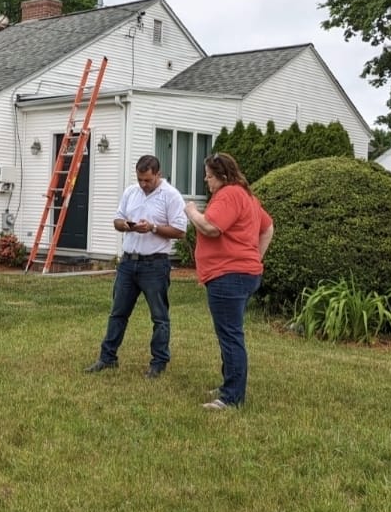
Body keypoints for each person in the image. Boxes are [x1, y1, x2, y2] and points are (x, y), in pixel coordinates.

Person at [184, 152, 274, 410]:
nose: (206, 180)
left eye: (210, 176)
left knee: (230, 335)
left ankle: (231, 397)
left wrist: (191, 211)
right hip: (243, 273)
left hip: (228, 275)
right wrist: (254, 257)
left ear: (222, 176)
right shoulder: (247, 196)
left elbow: (211, 227)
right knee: (229, 332)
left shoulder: (229, 194)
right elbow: (268, 228)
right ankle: (229, 384)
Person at [85, 155, 187, 378]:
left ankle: (158, 362)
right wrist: (128, 226)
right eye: (140, 179)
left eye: (148, 180)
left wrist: (152, 228)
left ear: (158, 174)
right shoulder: (131, 192)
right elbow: (117, 221)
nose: (143, 184)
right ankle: (107, 358)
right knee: (118, 313)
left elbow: (180, 231)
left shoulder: (171, 196)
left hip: (155, 264)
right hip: (128, 263)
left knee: (159, 317)